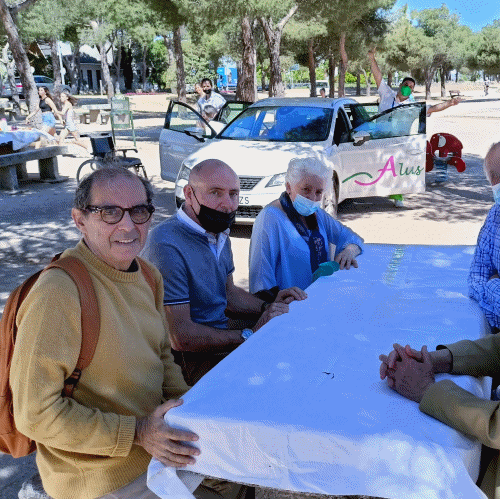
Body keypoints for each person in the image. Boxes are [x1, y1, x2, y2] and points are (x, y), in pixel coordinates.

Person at [9, 167, 244, 499]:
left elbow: (162, 359)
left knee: (248, 471)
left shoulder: (147, 275)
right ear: (79, 220)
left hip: (157, 448)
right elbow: (34, 415)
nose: (128, 226)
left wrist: (191, 411)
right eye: (109, 212)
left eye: (138, 211)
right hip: (100, 477)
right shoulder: (59, 292)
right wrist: (138, 432)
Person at [141, 159, 307, 386]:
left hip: (219, 332)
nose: (227, 205)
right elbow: (180, 337)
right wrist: (249, 335)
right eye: (215, 193)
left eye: (233, 194)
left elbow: (228, 294)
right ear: (189, 194)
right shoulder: (166, 246)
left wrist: (270, 306)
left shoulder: (217, 232)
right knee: (280, 369)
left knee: (292, 333)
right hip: (187, 361)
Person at [249, 157, 364, 296]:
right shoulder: (269, 218)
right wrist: (272, 303)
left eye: (318, 192)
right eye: (306, 189)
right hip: (290, 303)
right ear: (289, 187)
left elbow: (351, 238)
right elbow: (261, 279)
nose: (313, 198)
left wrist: (349, 251)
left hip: (320, 296)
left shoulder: (317, 214)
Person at [368, 48, 461, 208]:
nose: (408, 87)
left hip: (398, 142)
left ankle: (397, 195)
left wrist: (450, 103)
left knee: (397, 168)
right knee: (375, 168)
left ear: (412, 90)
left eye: (411, 87)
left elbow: (433, 108)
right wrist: (371, 58)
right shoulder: (386, 94)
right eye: (406, 84)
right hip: (379, 140)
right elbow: (377, 76)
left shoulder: (413, 106)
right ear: (400, 85)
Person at [468, 142, 500, 333]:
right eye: (493, 176)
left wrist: (492, 283)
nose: (496, 182)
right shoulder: (495, 215)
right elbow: (476, 277)